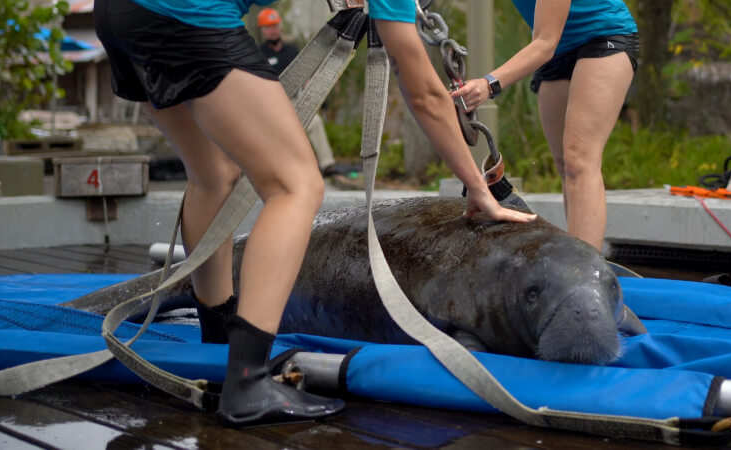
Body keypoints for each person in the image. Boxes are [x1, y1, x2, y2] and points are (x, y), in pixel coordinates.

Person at [94, 0, 536, 429]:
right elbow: (423, 94)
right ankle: (247, 380)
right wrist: (479, 189)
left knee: (213, 175)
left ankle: (219, 349)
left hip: (120, 14)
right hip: (187, 13)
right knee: (295, 184)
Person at [451, 0, 639, 253]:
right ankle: (577, 256)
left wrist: (489, 84)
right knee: (565, 166)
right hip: (556, 49)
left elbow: (544, 43)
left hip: (602, 36)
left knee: (579, 161)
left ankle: (584, 269)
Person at [256, 7, 355, 178]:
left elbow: (306, 74)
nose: (272, 30)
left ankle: (327, 164)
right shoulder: (259, 54)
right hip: (270, 106)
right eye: (268, 27)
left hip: (294, 101)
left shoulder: (292, 51)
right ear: (263, 30)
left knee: (314, 122)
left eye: (275, 26)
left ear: (279, 26)